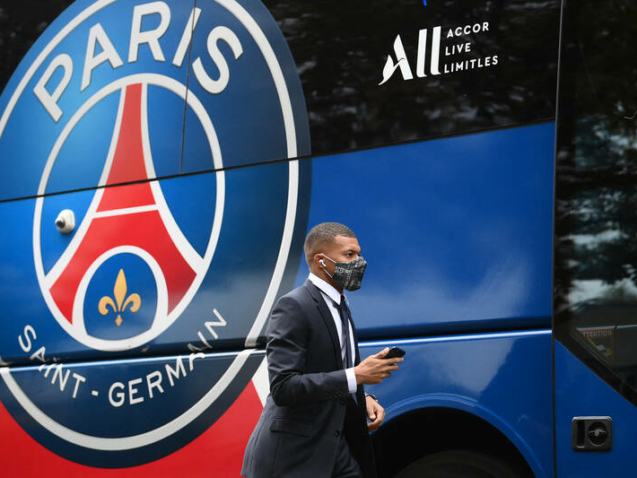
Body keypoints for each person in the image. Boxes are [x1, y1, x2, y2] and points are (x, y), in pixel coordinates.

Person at [241, 222, 403, 478]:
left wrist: (364, 399)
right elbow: (284, 387)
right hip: (294, 457)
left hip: (335, 449)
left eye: (358, 254)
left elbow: (330, 372)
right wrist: (356, 376)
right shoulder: (294, 306)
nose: (359, 262)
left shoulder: (342, 307)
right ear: (321, 261)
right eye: (349, 255)